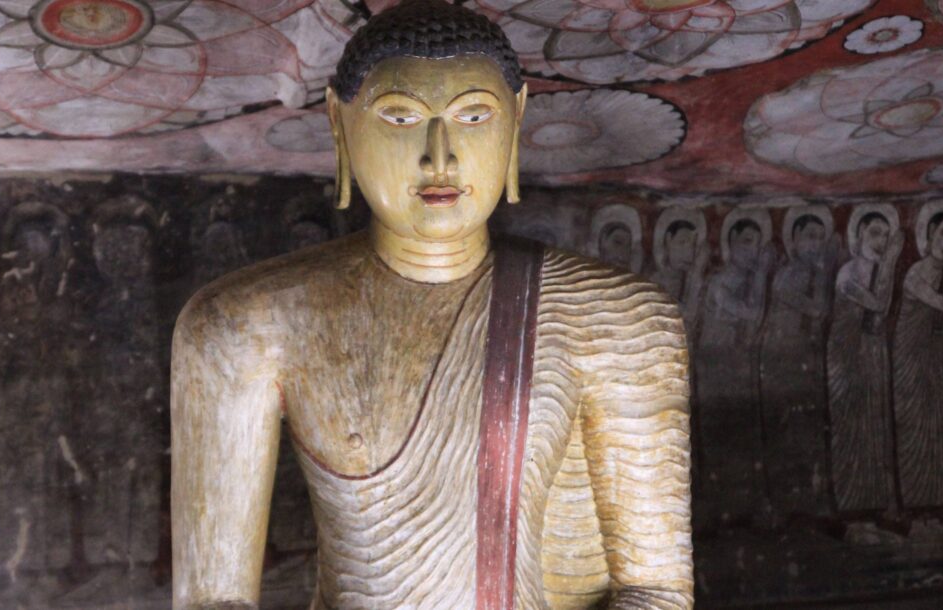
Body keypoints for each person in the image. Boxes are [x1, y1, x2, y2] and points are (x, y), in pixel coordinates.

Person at [170, 2, 693, 609]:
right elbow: (213, 599)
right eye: (400, 116)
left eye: (474, 115)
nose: (439, 156)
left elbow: (654, 592)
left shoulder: (613, 316)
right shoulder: (242, 325)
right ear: (340, 124)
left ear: (516, 121)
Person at [695, 211, 774, 528]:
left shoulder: (744, 280)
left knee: (746, 436)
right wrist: (762, 273)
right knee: (721, 436)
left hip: (740, 367)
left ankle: (750, 507)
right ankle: (720, 509)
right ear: (730, 245)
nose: (753, 251)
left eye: (757, 244)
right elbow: (752, 314)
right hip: (717, 369)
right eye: (746, 242)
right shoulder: (719, 283)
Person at [759, 208, 839, 520]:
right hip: (782, 364)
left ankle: (810, 504)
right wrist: (827, 267)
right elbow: (817, 309)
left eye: (821, 238)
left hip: (805, 363)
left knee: (809, 433)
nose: (816, 244)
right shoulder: (788, 274)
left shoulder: (810, 273)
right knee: (786, 434)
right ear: (794, 240)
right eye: (810, 237)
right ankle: (786, 505)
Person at [892, 204, 943, 510]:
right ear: (929, 235)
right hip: (912, 365)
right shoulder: (916, 274)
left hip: (935, 363)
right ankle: (918, 508)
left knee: (938, 430)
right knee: (917, 433)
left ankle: (939, 507)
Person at [828, 207, 903, 514]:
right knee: (852, 428)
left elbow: (876, 321)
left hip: (872, 353)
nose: (882, 241)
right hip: (847, 356)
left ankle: (879, 507)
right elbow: (879, 304)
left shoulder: (878, 269)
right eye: (875, 233)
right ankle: (854, 510)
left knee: (877, 425)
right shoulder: (848, 272)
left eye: (886, 236)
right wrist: (890, 262)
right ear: (858, 235)